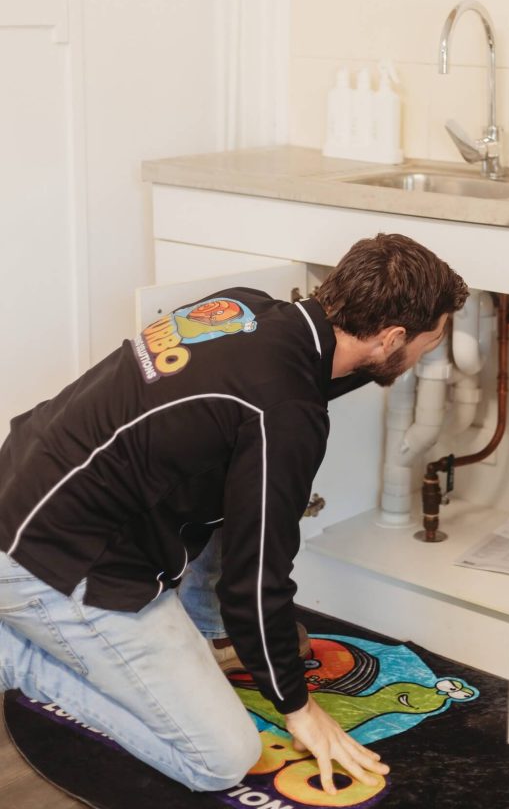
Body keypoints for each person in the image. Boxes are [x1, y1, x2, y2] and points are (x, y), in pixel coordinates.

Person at [0, 232, 468, 794]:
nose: (426, 356)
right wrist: (297, 707)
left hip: (24, 484)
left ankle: (209, 634)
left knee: (240, 478)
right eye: (428, 342)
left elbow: (274, 395)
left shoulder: (246, 306)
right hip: (57, 562)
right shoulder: (284, 413)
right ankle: (19, 659)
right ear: (393, 336)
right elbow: (256, 578)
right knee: (219, 758)